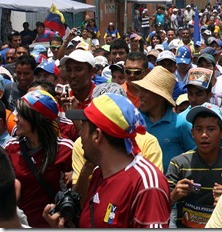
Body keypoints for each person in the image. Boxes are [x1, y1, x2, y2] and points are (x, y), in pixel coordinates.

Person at [51, 93, 171, 228]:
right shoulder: (98, 173)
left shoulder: (146, 184)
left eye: (83, 125)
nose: (79, 134)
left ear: (97, 135)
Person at [4, 90, 73, 228]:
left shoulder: (65, 150)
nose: (15, 119)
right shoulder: (11, 148)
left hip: (54, 225)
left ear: (36, 119)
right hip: (20, 225)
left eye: (21, 115)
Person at [166, 103, 222, 228]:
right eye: (199, 129)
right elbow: (161, 205)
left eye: (211, 129)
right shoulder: (179, 163)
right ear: (192, 133)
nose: (204, 135)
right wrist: (173, 196)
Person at [133, 66, 194, 171]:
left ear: (160, 97)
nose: (140, 95)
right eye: (140, 90)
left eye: (146, 91)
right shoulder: (134, 120)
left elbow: (194, 155)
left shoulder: (180, 124)